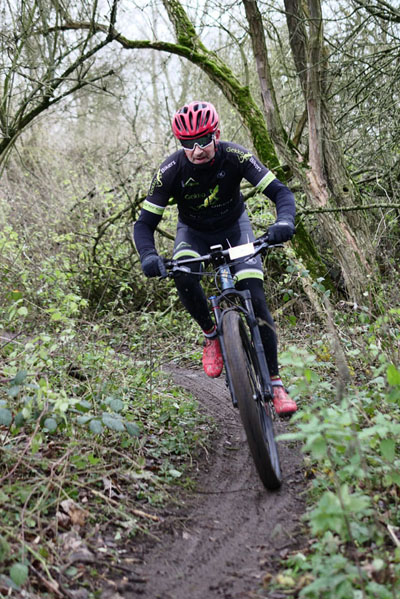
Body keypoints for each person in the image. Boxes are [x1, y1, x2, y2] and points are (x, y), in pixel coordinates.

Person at [133, 100, 297, 416]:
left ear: (216, 134)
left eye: (204, 140)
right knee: (183, 273)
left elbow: (280, 192)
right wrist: (148, 256)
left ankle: (276, 384)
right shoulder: (170, 171)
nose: (197, 150)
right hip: (193, 234)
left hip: (235, 229)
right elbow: (144, 224)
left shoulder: (235, 155)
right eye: (188, 143)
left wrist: (284, 222)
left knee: (255, 296)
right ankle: (211, 335)